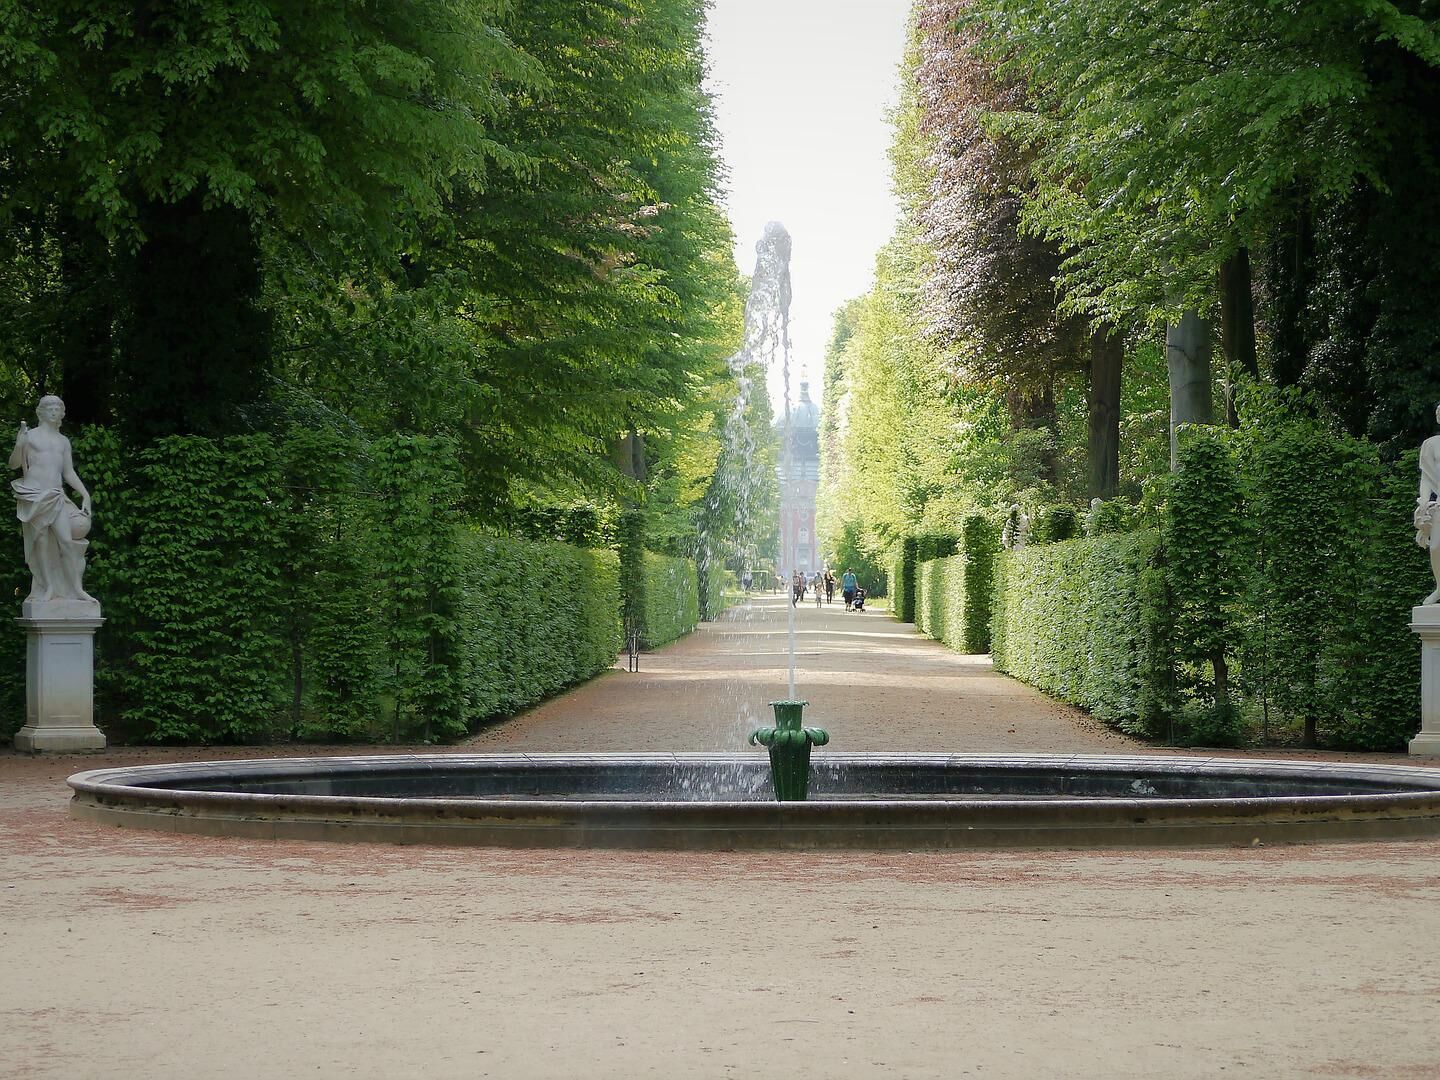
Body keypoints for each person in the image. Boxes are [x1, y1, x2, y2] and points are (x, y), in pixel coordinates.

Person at [10, 395, 94, 604]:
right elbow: (13, 464)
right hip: (35, 494)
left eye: (58, 408)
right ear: (41, 412)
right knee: (41, 541)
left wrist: (85, 494)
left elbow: (69, 473)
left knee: (67, 542)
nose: (54, 412)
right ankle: (47, 588)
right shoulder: (30, 436)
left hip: (56, 495)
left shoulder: (63, 441)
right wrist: (19, 445)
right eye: (50, 408)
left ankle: (76, 589)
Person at [1417, 401, 1440, 604]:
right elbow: (1426, 478)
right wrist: (1424, 501)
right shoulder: (1431, 444)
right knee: (1436, 548)